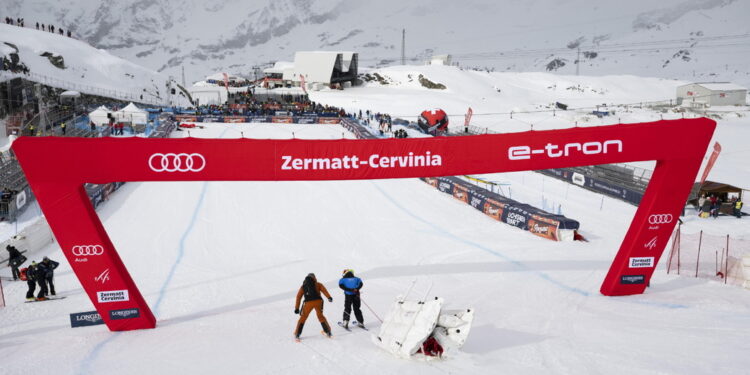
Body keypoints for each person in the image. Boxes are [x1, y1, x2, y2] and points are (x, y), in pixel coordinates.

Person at [293, 273, 333, 340]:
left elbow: (298, 297)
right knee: (320, 316)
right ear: (314, 278)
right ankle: (328, 331)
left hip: (308, 303)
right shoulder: (318, 284)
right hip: (318, 302)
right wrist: (329, 297)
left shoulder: (303, 286)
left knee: (303, 317)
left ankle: (297, 333)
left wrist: (297, 308)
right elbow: (324, 290)